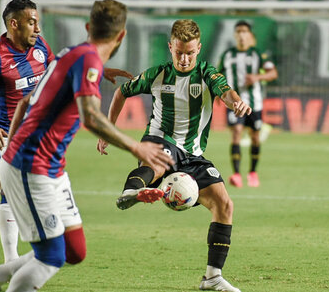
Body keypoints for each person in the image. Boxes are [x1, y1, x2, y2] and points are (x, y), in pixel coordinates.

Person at [0, 0, 174, 292]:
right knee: (52, 257)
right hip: (31, 166)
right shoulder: (86, 60)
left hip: (50, 168)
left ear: (88, 27)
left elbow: (27, 101)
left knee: (74, 250)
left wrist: (6, 157)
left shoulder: (74, 54)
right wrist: (137, 148)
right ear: (122, 36)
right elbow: (91, 116)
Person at [0, 0, 133, 264]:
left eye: (38, 22)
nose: (37, 28)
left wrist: (96, 69)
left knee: (14, 205)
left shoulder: (40, 48)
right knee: (11, 203)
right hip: (6, 135)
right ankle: (9, 264)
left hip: (38, 138)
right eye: (32, 22)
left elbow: (59, 71)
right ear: (14, 24)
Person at [97, 19, 251, 292]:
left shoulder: (206, 74)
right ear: (170, 47)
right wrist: (108, 130)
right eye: (178, 52)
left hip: (193, 154)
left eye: (189, 53)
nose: (183, 58)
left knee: (224, 205)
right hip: (160, 140)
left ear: (199, 49)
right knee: (158, 160)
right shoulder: (156, 75)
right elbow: (122, 91)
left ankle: (213, 277)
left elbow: (225, 92)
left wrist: (236, 102)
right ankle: (131, 191)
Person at [218, 20, 278, 188]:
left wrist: (257, 77)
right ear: (235, 35)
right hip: (234, 104)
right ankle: (236, 174)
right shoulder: (227, 55)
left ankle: (252, 172)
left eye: (244, 31)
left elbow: (272, 73)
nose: (241, 34)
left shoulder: (258, 55)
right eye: (238, 31)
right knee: (236, 132)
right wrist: (218, 93)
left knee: (255, 137)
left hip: (255, 104)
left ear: (250, 35)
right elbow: (217, 75)